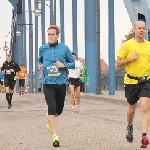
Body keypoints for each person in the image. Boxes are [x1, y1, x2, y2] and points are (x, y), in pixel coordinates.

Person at [38, 25, 75, 147]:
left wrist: (63, 65)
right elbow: (40, 60)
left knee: (59, 110)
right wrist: (39, 65)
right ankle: (55, 136)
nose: (50, 36)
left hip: (60, 83)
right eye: (49, 34)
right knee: (51, 108)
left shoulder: (64, 48)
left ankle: (50, 121)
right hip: (48, 83)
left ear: (57, 35)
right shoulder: (42, 48)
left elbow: (73, 63)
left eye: (53, 34)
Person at [116, 21, 150, 148]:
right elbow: (118, 64)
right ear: (134, 30)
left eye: (143, 28)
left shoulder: (149, 45)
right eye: (139, 28)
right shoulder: (127, 45)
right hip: (131, 82)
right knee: (132, 109)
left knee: (145, 108)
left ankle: (144, 136)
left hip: (146, 81)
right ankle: (130, 126)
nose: (141, 30)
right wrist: (130, 58)